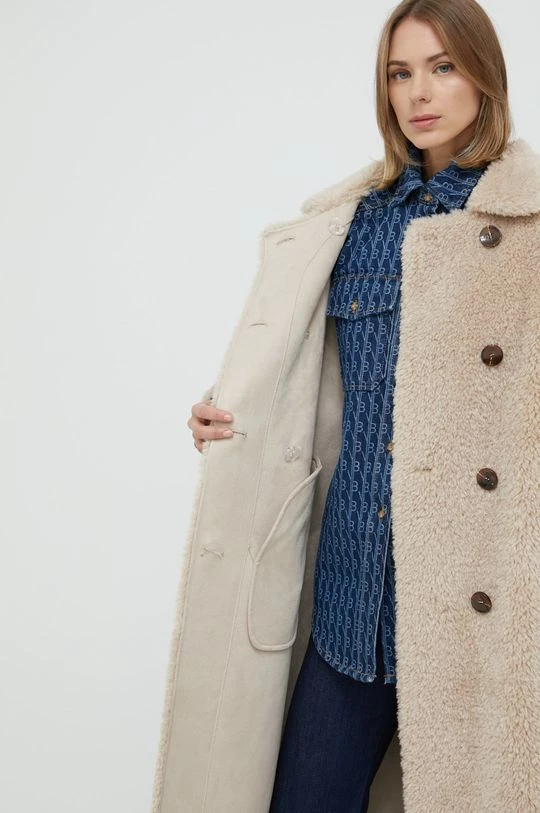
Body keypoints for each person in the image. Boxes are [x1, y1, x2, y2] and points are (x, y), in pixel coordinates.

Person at [152, 1, 540, 811]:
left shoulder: (525, 230)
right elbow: (308, 379)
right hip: (352, 594)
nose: (418, 93)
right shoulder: (356, 223)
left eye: (442, 67)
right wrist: (231, 413)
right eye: (400, 73)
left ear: (484, 76)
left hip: (477, 604)